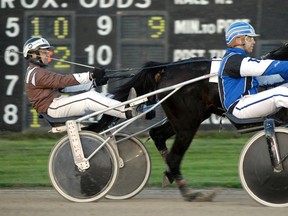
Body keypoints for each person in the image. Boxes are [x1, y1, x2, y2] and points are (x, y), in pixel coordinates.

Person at [23, 37, 138, 119]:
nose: (48, 54)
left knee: (104, 96)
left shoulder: (38, 72)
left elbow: (64, 88)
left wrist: (93, 83)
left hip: (56, 104)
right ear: (33, 54)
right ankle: (125, 111)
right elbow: (62, 80)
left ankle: (139, 110)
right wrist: (90, 75)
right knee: (89, 98)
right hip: (52, 107)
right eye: (44, 51)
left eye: (47, 51)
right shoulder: (36, 73)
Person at [218, 21, 288, 119]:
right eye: (250, 38)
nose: (253, 41)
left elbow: (265, 79)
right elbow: (265, 67)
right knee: (280, 93)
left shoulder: (238, 59)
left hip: (248, 103)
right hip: (240, 107)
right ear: (238, 40)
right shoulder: (233, 60)